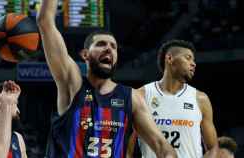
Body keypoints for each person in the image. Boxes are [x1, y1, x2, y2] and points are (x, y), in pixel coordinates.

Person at [36, 0, 177, 157]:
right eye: (101, 44)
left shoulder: (131, 97)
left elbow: (162, 146)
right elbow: (45, 22)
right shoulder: (73, 84)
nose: (108, 48)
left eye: (113, 46)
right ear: (85, 55)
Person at [138, 39, 218, 158]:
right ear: (169, 59)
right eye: (188, 58)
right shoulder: (141, 95)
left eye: (193, 60)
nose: (193, 63)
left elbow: (213, 149)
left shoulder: (201, 99)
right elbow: (128, 143)